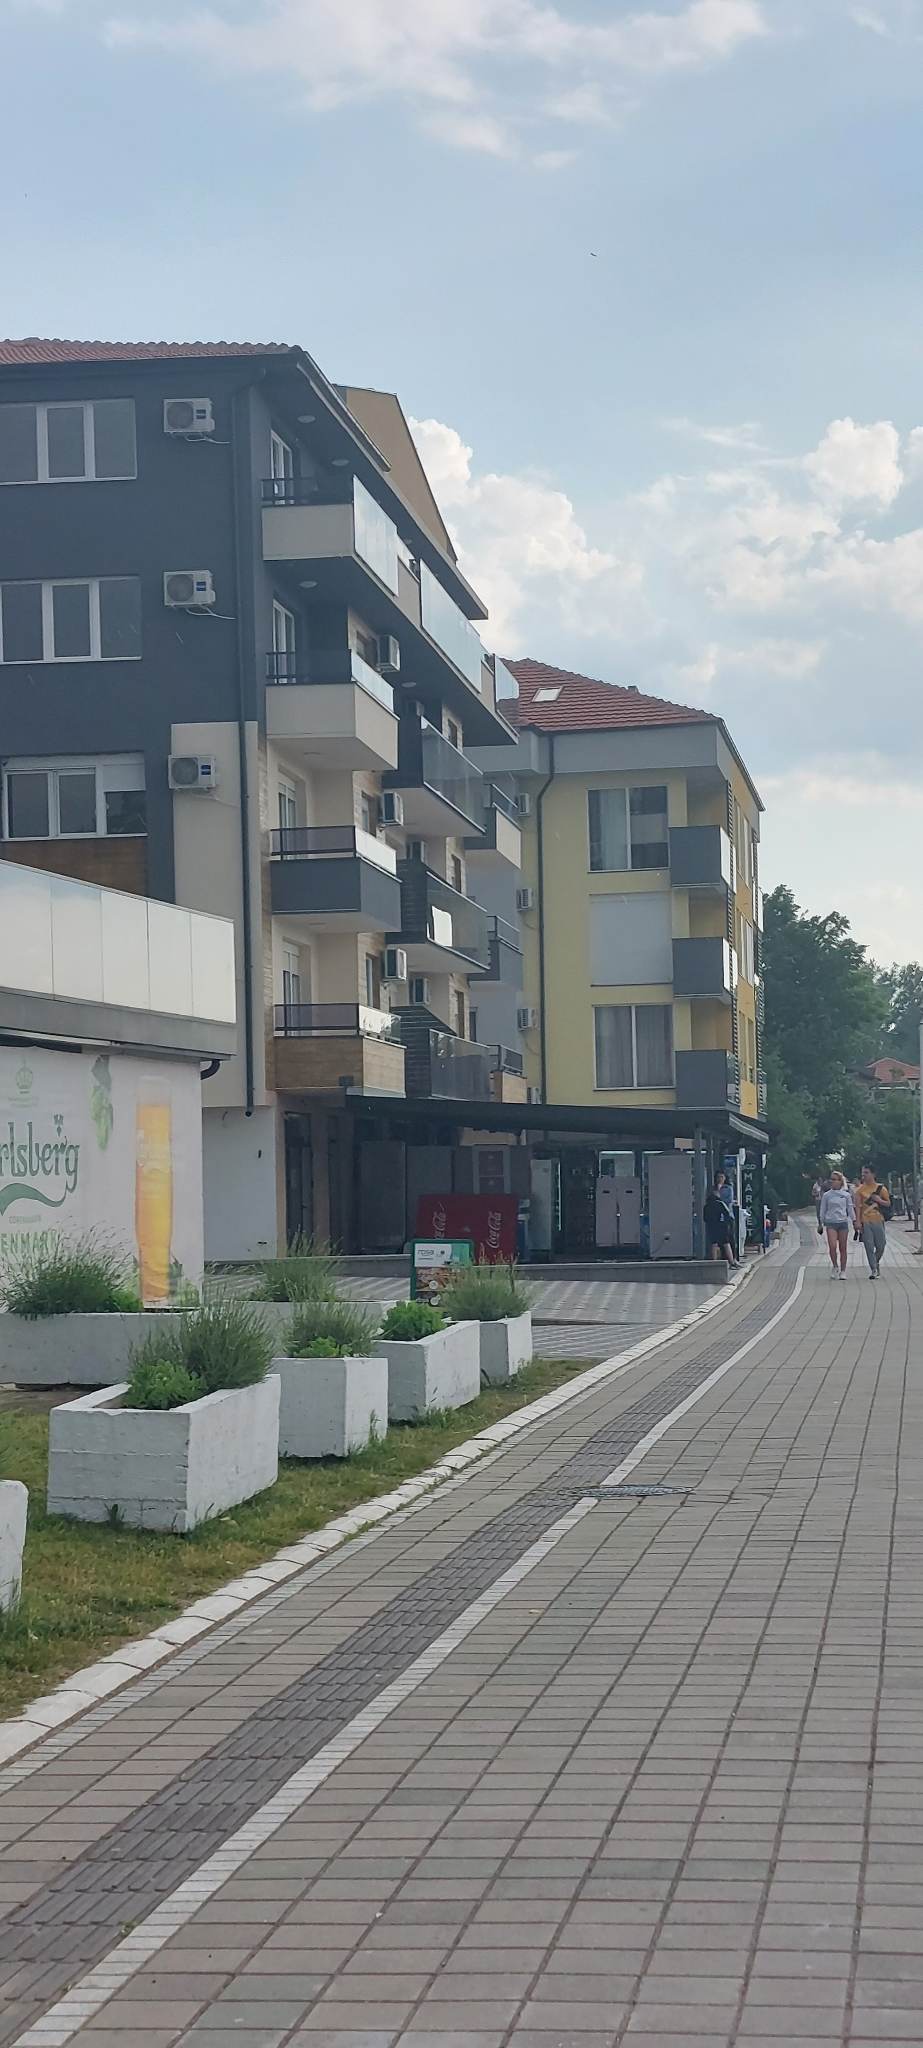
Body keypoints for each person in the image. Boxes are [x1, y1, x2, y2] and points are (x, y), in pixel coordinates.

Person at [855, 1165, 892, 1279]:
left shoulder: (881, 1188)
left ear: (873, 1174)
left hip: (878, 1219)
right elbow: (857, 1207)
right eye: (863, 1173)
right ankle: (874, 1269)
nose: (864, 1175)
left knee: (881, 1245)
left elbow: (888, 1203)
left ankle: (876, 1262)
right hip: (865, 1220)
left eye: (866, 1173)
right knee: (869, 1245)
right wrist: (858, 1221)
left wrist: (879, 1200)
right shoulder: (860, 1190)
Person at [818, 1170, 855, 1277]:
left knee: (843, 1247)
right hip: (831, 1222)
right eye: (831, 1179)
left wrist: (854, 1220)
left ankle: (843, 1270)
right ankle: (835, 1266)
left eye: (835, 1179)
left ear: (840, 1181)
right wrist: (821, 1222)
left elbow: (850, 1208)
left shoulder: (846, 1195)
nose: (832, 1181)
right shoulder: (827, 1195)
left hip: (842, 1222)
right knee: (832, 1245)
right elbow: (823, 1209)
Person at [704, 1173, 736, 1265]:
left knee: (727, 1240)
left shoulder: (728, 1188)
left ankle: (732, 1260)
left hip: (723, 1220)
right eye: (718, 1177)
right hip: (717, 1222)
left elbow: (728, 1201)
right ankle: (723, 1261)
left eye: (722, 1177)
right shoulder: (714, 1194)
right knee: (721, 1242)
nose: (720, 1179)